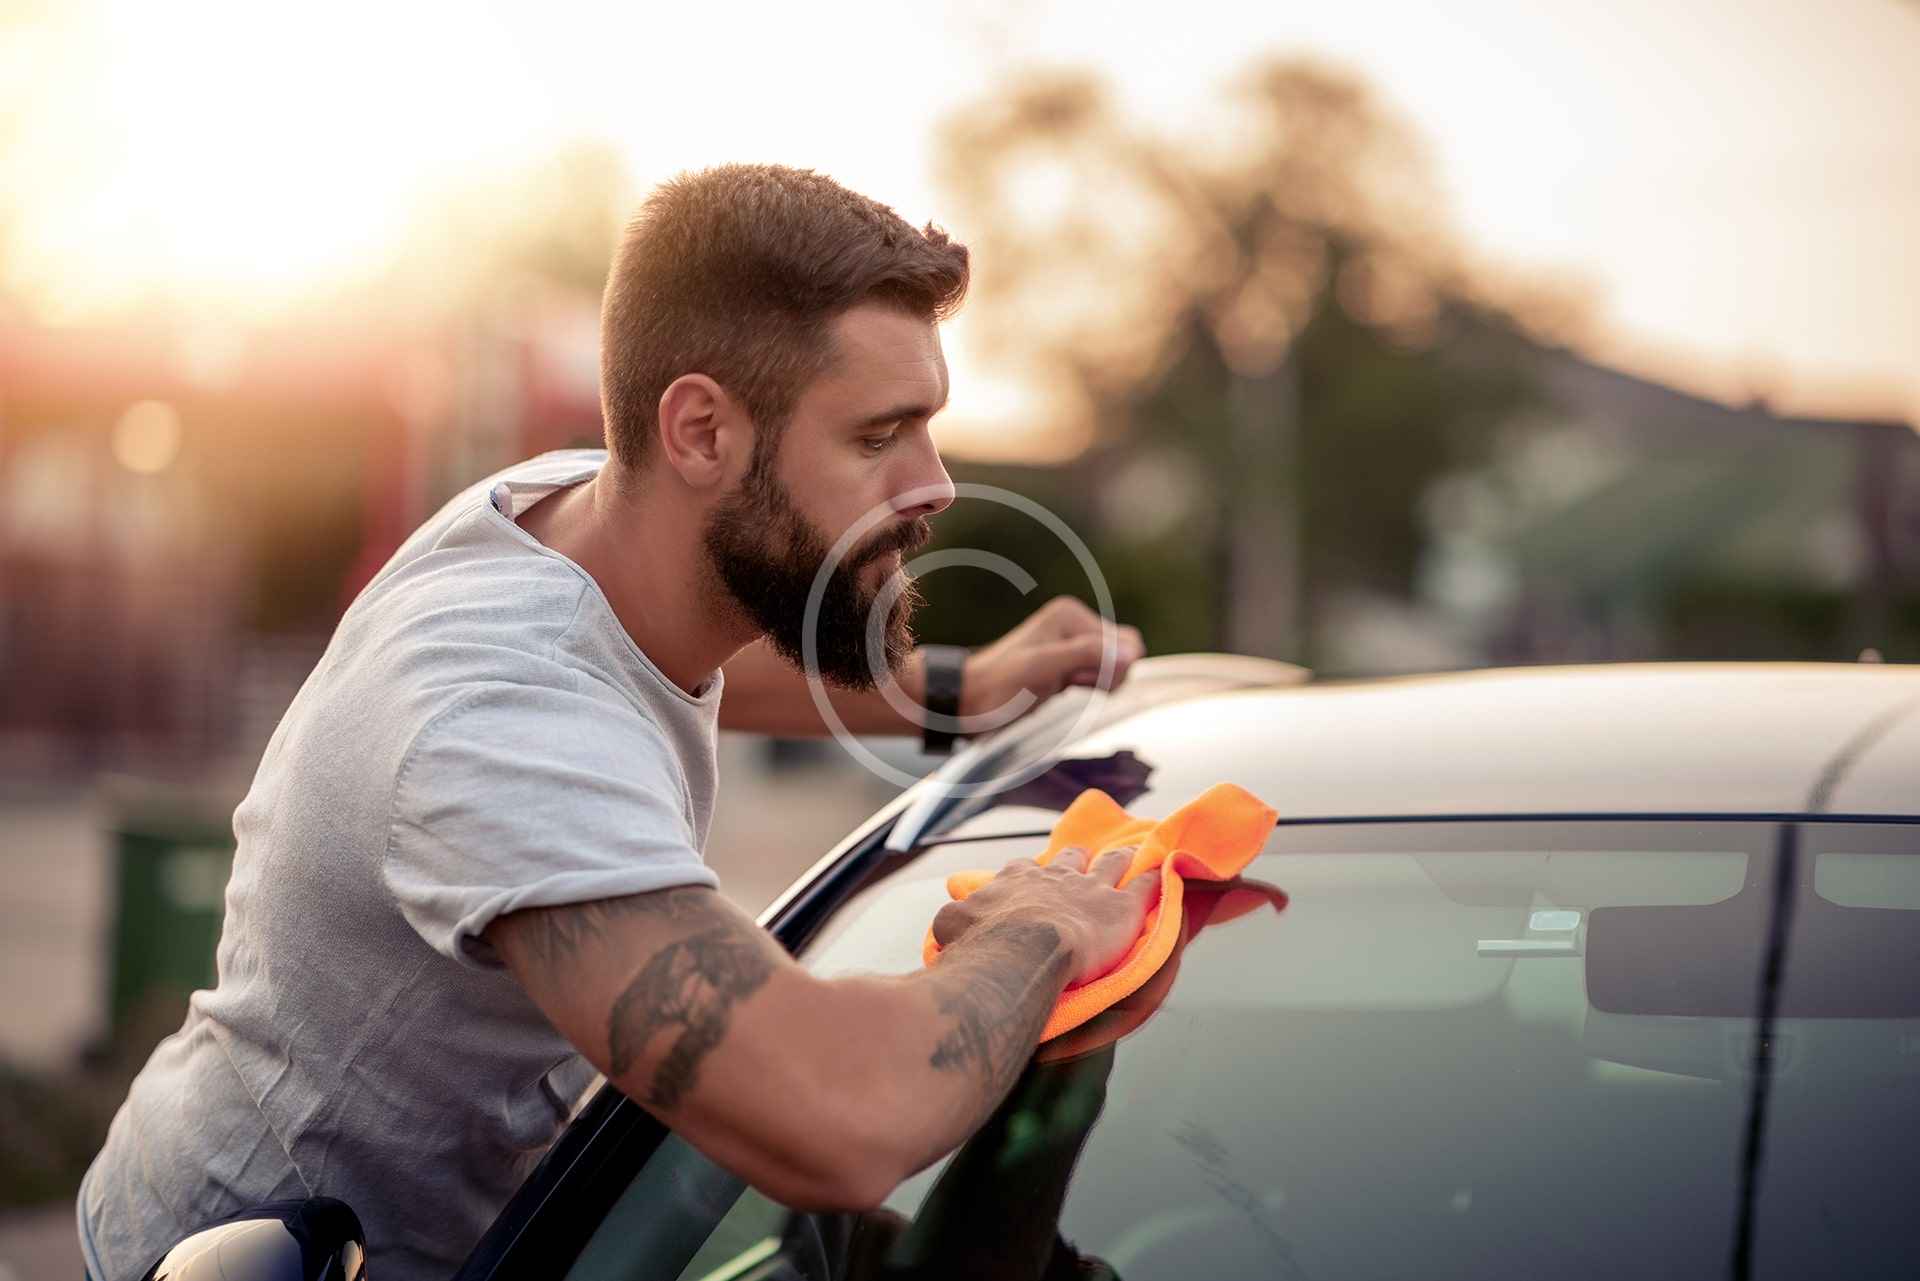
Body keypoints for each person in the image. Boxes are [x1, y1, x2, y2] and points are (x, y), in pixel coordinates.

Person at [77, 164, 1154, 1281]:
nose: (934, 483)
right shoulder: (495, 725)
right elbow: (841, 1119)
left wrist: (959, 692)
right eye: (880, 435)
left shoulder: (587, 509)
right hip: (247, 1256)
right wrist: (1039, 927)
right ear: (697, 431)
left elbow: (702, 637)